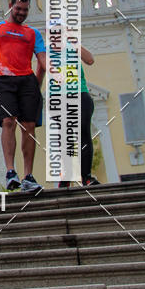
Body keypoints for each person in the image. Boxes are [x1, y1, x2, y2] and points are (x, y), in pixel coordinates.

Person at [0, 0, 46, 193]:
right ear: (10, 6)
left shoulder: (33, 33)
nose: (21, 13)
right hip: (1, 78)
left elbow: (42, 58)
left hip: (27, 80)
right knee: (8, 121)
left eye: (25, 10)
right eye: (18, 9)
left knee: (29, 126)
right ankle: (10, 172)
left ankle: (28, 176)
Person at [59, 45, 100, 188]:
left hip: (80, 93)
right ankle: (66, 177)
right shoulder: (46, 50)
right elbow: (41, 70)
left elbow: (90, 60)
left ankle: (86, 177)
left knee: (83, 133)